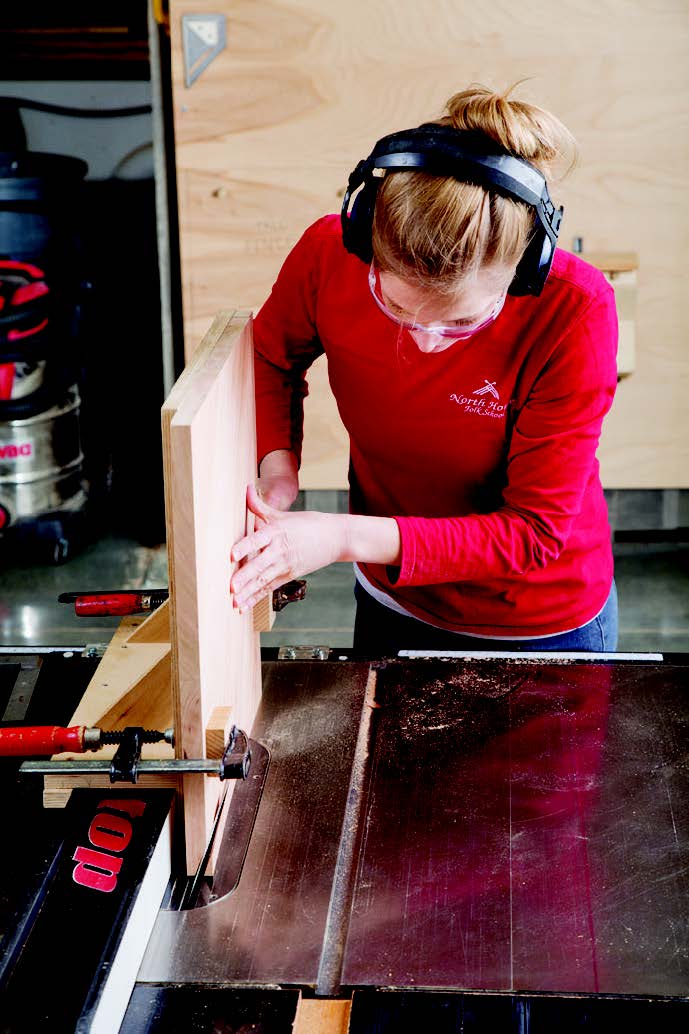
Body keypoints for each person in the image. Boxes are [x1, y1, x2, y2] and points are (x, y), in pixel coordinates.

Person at [229, 84, 619, 655]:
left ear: (523, 271)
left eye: (464, 320)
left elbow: (532, 533)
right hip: (393, 596)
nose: (427, 344)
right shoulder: (326, 254)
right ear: (366, 241)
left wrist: (340, 536)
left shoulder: (575, 310)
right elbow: (269, 355)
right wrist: (277, 468)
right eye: (400, 308)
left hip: (538, 622)